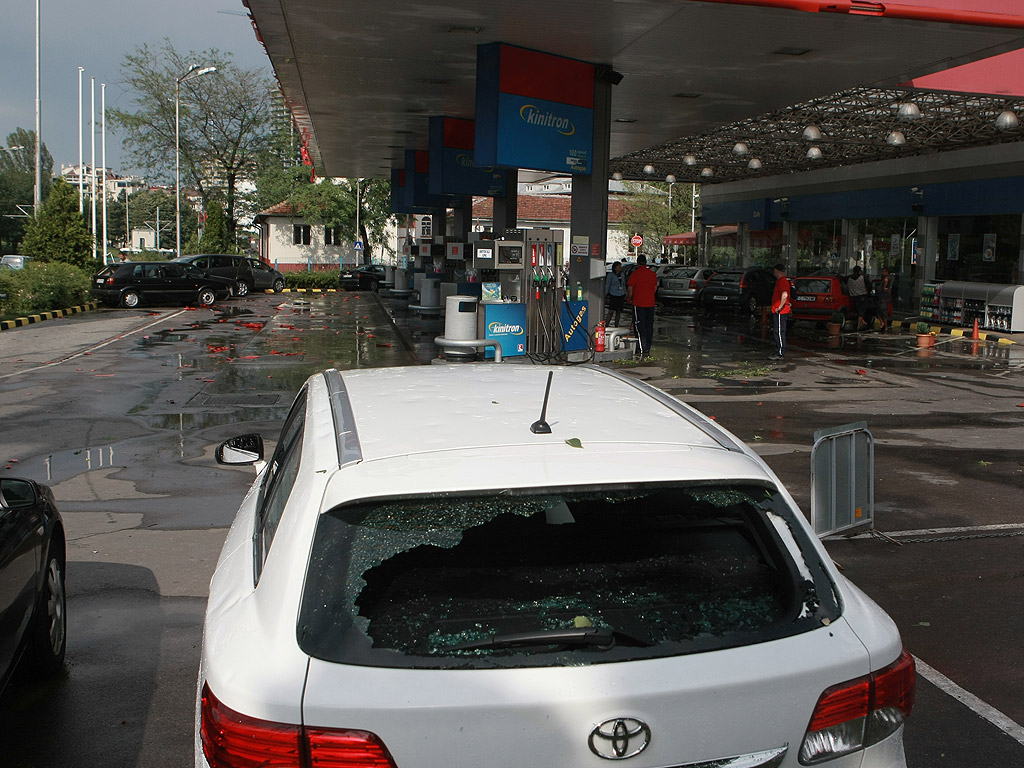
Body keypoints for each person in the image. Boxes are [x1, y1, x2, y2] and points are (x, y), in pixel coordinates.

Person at [626, 254, 658, 359]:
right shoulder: (652, 274)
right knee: (649, 326)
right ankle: (647, 347)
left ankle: (641, 348)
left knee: (639, 326)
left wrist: (629, 298)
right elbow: (655, 288)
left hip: (638, 303)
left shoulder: (635, 274)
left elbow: (630, 288)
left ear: (638, 262)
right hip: (650, 303)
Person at [769, 263, 791, 360]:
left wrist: (779, 307)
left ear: (777, 271)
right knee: (777, 331)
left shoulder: (782, 281)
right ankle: (778, 351)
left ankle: (780, 352)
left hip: (780, 311)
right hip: (780, 310)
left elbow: (785, 295)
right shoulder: (781, 281)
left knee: (779, 332)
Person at [605, 261, 626, 326]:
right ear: (615, 267)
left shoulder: (622, 274)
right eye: (619, 266)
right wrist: (605, 293)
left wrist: (625, 293)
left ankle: (616, 325)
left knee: (618, 311)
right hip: (613, 294)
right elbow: (608, 284)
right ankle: (606, 324)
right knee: (611, 311)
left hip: (621, 294)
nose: (620, 268)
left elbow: (623, 284)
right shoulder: (611, 275)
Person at [847, 266, 868, 330]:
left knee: (857, 310)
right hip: (862, 296)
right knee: (861, 311)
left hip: (853, 297)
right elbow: (869, 285)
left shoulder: (849, 278)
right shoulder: (863, 278)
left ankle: (863, 322)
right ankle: (859, 326)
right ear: (859, 271)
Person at [877, 267, 893, 331]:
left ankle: (884, 325)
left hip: (884, 297)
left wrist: (884, 287)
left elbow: (886, 280)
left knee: (883, 311)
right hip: (884, 297)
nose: (883, 273)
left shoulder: (887, 278)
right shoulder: (888, 278)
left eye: (884, 271)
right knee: (880, 311)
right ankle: (883, 323)